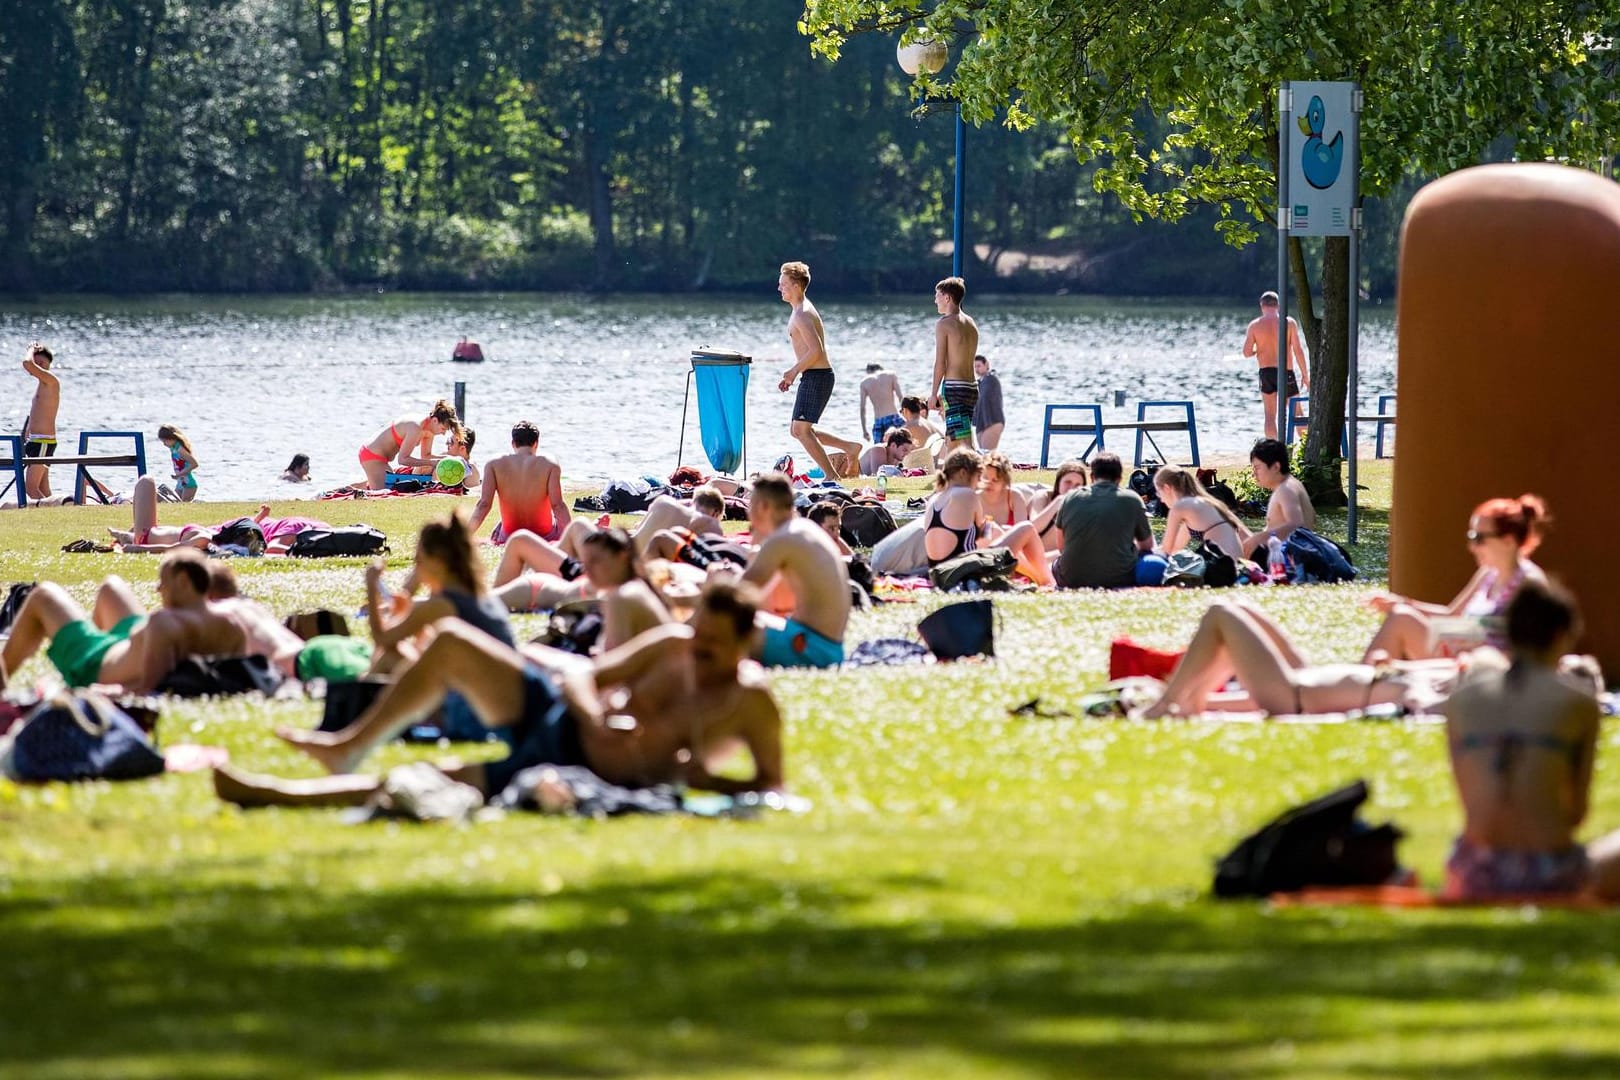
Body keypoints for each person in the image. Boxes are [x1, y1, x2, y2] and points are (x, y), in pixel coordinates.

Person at [262, 580, 783, 798]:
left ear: (745, 643)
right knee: (448, 641)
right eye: (698, 636)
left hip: (571, 760)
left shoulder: (750, 702)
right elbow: (583, 675)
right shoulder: (673, 644)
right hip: (560, 711)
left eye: (712, 644)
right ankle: (347, 747)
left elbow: (771, 783)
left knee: (426, 784)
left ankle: (281, 796)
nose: (697, 649)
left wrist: (708, 782)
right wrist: (595, 714)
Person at [1441, 580, 1620, 900]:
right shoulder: (1578, 703)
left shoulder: (1462, 701)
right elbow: (1576, 814)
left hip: (1473, 873)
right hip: (1552, 874)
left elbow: (1469, 800)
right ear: (1562, 636)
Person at [1134, 600, 1460, 720]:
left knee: (1221, 614)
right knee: (1241, 608)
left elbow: (1425, 707)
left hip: (1297, 696)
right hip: (1308, 681)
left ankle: (1166, 703)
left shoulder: (1439, 695)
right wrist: (1401, 667)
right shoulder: (1452, 672)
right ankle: (1195, 702)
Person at [0, 550, 254, 694]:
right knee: (112, 587)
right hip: (128, 643)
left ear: (184, 581)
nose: (157, 588)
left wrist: (98, 691)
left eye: (163, 581)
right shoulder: (231, 625)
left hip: (96, 662)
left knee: (44, 595)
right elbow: (238, 676)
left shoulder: (163, 624)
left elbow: (148, 688)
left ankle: (4, 675)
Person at [1363, 495, 1549, 663]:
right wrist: (1400, 603)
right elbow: (1452, 614)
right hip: (1458, 655)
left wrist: (1474, 652)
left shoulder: (1530, 583)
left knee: (1395, 646)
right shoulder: (1488, 574)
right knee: (1401, 616)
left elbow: (1534, 650)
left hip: (1487, 672)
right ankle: (1364, 687)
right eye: (1471, 536)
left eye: (1478, 538)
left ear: (1508, 541)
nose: (1472, 547)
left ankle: (1364, 689)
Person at [363, 512, 512, 676]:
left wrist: (371, 585)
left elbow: (382, 638)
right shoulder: (473, 592)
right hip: (493, 684)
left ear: (438, 562)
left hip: (481, 691)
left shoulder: (442, 604)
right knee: (402, 650)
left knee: (390, 656)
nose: (416, 569)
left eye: (418, 560)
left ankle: (358, 697)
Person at [734, 472, 851, 667]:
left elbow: (739, 594)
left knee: (724, 622)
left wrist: (693, 593)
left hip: (812, 648)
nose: (748, 513)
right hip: (828, 646)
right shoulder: (803, 528)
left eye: (750, 506)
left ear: (762, 507)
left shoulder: (782, 539)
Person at [924, 450, 1053, 587]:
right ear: (963, 473)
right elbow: (985, 535)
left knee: (994, 529)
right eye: (978, 477)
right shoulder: (967, 495)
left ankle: (1038, 578)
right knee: (1026, 528)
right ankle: (1046, 581)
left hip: (939, 574)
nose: (979, 483)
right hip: (962, 574)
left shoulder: (935, 499)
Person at [1034, 451, 1162, 588]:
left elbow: (1062, 546)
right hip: (1120, 578)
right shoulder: (1132, 499)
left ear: (1092, 477)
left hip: (1069, 577)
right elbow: (1147, 545)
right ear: (1119, 478)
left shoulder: (1070, 498)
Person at [776, 261, 842, 483]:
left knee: (801, 430)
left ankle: (831, 475)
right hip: (813, 375)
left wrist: (793, 372)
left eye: (783, 284)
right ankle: (848, 449)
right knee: (798, 430)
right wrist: (795, 373)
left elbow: (816, 351)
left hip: (818, 376)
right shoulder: (798, 311)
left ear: (796, 285)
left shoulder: (803, 313)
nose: (779, 288)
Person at [466, 420, 568, 542]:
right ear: (536, 443)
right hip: (544, 535)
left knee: (501, 524)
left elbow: (484, 504)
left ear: (513, 443)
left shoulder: (494, 464)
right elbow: (558, 506)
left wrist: (464, 536)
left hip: (510, 536)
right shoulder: (550, 464)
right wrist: (571, 538)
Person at [1242, 291, 1310, 440]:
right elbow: (1298, 351)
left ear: (1262, 306)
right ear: (1278, 305)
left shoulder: (1254, 325)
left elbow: (1246, 352)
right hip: (1286, 372)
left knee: (1270, 415)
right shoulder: (1289, 323)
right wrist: (1305, 375)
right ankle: (1306, 448)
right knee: (1297, 412)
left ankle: (1274, 448)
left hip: (1266, 373)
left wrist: (1257, 350)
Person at [1154, 464, 1252, 558]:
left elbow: (1167, 549)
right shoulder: (1200, 503)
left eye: (1159, 493)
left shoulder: (1180, 506)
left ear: (1167, 488)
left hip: (1223, 564)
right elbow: (1175, 547)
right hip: (1234, 562)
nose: (1161, 500)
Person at [928, 277, 980, 455]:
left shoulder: (944, 324)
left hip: (955, 388)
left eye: (937, 296)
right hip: (971, 387)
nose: (935, 300)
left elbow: (940, 362)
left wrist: (933, 394)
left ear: (947, 298)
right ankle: (968, 476)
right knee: (962, 436)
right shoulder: (971, 323)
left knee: (956, 442)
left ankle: (964, 477)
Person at [357, 400, 458, 490]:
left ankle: (347, 489)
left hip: (381, 459)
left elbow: (426, 456)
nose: (444, 433)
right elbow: (403, 459)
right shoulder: (415, 427)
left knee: (381, 486)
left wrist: (450, 458)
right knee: (385, 493)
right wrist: (432, 463)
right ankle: (345, 492)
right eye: (443, 429)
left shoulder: (430, 429)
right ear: (435, 420)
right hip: (372, 455)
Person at [1241, 438, 1315, 559]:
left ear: (1276, 467)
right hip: (1283, 551)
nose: (1254, 474)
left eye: (1258, 468)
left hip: (1283, 557)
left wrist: (1258, 538)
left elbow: (1297, 525)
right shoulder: (1292, 484)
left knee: (1227, 527)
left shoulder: (1286, 489)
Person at [21, 343, 59, 502]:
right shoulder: (41, 385)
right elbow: (35, 413)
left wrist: (31, 350)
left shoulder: (51, 381)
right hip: (37, 441)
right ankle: (59, 512)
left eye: (40, 363)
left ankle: (55, 513)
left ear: (48, 362)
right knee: (43, 489)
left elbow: (26, 364)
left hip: (43, 441)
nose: (36, 366)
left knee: (30, 488)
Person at [975, 451, 1029, 527]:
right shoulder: (973, 499)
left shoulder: (1014, 497)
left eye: (995, 480)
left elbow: (1023, 531)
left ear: (1004, 482)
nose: (989, 483)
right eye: (985, 478)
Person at [157, 424, 200, 502]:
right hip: (180, 482)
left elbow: (194, 464)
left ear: (172, 438)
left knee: (183, 504)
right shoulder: (173, 449)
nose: (164, 444)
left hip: (188, 484)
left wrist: (180, 474)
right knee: (175, 504)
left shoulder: (180, 450)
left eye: (165, 441)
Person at [971, 354, 1005, 451]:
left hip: (993, 421)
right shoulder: (980, 383)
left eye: (979, 366)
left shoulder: (991, 379)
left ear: (986, 365)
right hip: (981, 422)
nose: (977, 369)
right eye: (975, 367)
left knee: (987, 454)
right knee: (982, 454)